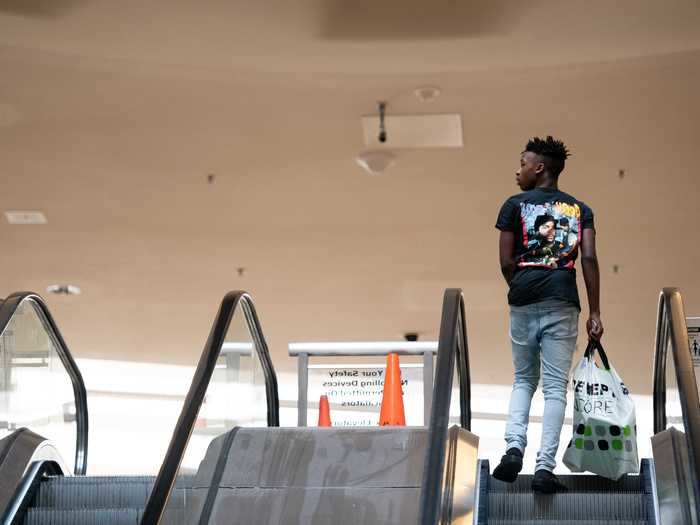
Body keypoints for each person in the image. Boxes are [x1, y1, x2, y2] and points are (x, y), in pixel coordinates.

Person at [493, 136, 603, 494]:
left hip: (524, 296)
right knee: (556, 388)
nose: (518, 169)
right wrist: (595, 311)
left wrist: (522, 284)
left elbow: (507, 261)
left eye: (523, 162)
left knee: (524, 379)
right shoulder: (580, 209)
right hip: (562, 298)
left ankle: (513, 448)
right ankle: (544, 468)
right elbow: (588, 258)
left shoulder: (513, 205)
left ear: (539, 167)